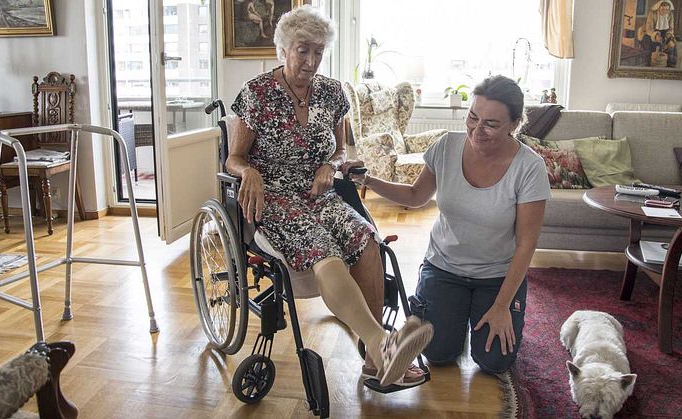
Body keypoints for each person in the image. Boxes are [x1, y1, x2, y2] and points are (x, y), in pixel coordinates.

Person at [227, 5, 433, 387]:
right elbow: (234, 157)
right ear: (283, 50)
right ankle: (380, 345)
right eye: (302, 50)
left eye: (319, 51)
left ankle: (374, 362)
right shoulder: (256, 94)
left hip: (322, 194)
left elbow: (339, 150)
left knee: (367, 241)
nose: (311, 60)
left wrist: (331, 165)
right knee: (325, 249)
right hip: (275, 200)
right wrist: (249, 171)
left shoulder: (332, 91)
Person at [343, 75, 551, 374]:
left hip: (496, 276)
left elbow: (526, 244)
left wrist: (503, 305)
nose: (477, 131)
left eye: (491, 124)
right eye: (473, 117)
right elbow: (416, 196)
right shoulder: (447, 146)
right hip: (444, 268)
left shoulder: (529, 167)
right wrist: (367, 180)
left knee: (494, 362)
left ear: (514, 124)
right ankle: (448, 321)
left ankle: (474, 317)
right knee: (438, 355)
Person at [640, 0, 677, 67]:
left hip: (665, 32)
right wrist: (656, 35)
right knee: (647, 40)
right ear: (659, 7)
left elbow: (671, 28)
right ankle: (649, 62)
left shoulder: (670, 14)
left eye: (667, 9)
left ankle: (670, 63)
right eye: (663, 9)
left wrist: (669, 34)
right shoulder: (652, 13)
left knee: (672, 43)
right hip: (653, 32)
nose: (665, 11)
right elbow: (649, 28)